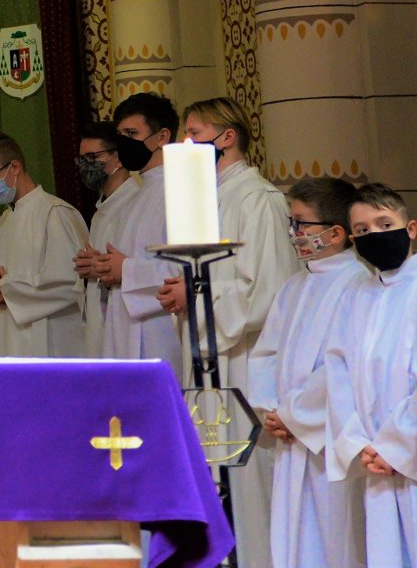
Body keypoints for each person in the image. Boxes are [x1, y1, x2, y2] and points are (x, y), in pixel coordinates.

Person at [160, 98, 299, 568]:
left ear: (227, 137)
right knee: (214, 473)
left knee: (248, 479)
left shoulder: (256, 199)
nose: (186, 143)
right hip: (210, 355)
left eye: (195, 131)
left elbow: (269, 290)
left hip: (242, 358)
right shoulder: (208, 200)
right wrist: (185, 290)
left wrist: (196, 292)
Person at [247, 176, 367, 568]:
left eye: (300, 223)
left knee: (336, 540)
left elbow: (344, 366)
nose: (293, 233)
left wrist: (295, 415)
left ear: (336, 232)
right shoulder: (294, 287)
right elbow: (265, 353)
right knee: (294, 540)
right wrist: (269, 409)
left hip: (329, 441)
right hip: (290, 437)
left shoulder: (360, 285)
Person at [324, 182, 417, 564]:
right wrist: (358, 442)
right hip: (375, 462)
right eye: (361, 231)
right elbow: (337, 370)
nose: (373, 235)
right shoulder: (355, 296)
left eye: (383, 224)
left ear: (411, 229)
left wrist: (398, 446)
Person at [92, 92, 186, 381]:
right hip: (124, 325)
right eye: (120, 134)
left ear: (162, 136)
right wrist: (105, 267)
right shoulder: (134, 195)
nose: (124, 142)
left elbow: (187, 269)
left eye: (132, 133)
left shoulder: (181, 190)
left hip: (160, 331)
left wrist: (126, 269)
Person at [0, 132, 88, 357]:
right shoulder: (5, 222)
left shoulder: (56, 213)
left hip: (52, 340)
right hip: (9, 338)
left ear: (14, 167)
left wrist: (9, 290)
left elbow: (70, 285)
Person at [70, 121, 147, 357]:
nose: (86, 165)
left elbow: (142, 262)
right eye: (82, 159)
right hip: (99, 320)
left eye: (93, 156)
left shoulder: (137, 201)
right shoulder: (102, 209)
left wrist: (102, 266)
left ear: (119, 158)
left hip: (129, 323)